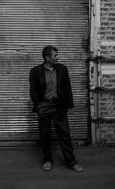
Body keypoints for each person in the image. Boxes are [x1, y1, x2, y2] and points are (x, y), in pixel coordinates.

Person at [29, 45, 83, 173]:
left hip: (59, 106)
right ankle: (48, 160)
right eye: (55, 55)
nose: (58, 57)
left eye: (57, 55)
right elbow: (33, 91)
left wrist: (70, 104)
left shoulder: (62, 69)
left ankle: (72, 162)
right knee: (45, 135)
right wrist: (39, 105)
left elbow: (67, 88)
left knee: (65, 134)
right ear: (47, 57)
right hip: (44, 106)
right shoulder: (35, 71)